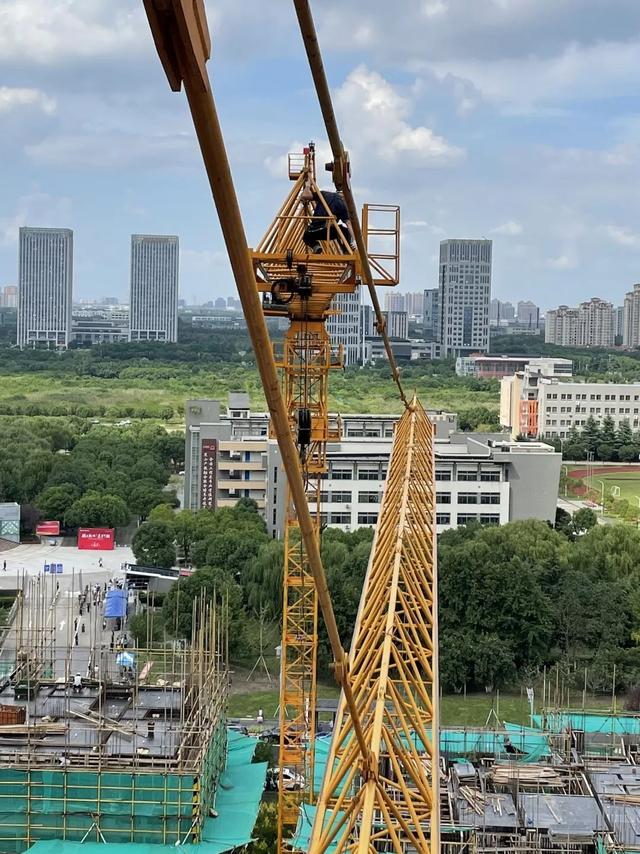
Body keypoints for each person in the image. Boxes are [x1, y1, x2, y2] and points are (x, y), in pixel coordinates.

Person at [301, 187, 354, 253]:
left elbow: (305, 195)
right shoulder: (342, 205)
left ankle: (316, 246)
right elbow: (348, 224)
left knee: (306, 236)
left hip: (314, 231)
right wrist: (354, 240)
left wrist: (307, 186)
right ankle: (347, 250)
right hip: (328, 231)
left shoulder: (324, 194)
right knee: (345, 231)